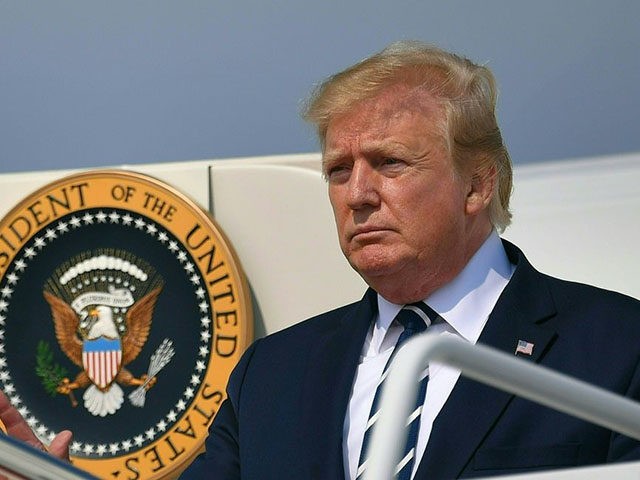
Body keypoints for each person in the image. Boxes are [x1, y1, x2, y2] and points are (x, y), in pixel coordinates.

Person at [2, 40, 640, 479]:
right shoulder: (272, 375)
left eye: (389, 163)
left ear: (478, 184)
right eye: (339, 170)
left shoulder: (614, 347)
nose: (358, 194)